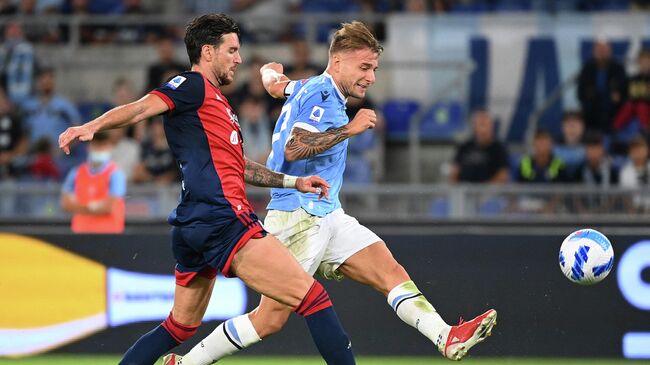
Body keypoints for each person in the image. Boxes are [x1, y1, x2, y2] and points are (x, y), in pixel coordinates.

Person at [170, 21, 496, 365]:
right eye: (364, 67)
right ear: (338, 62)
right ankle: (190, 363)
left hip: (327, 211)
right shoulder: (323, 96)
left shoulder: (308, 86)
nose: (371, 77)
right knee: (269, 320)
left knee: (389, 270)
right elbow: (295, 148)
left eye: (374, 68)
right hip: (297, 216)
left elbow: (277, 87)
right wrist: (350, 128)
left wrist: (269, 72)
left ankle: (444, 336)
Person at [58, 13, 355, 365]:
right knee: (312, 297)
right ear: (208, 52)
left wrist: (294, 182)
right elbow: (141, 109)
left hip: (194, 224)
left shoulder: (215, 104)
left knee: (179, 327)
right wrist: (92, 126)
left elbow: (240, 166)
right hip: (222, 218)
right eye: (232, 50)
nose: (239, 59)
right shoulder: (191, 85)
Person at [60, 131, 126, 233]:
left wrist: (79, 206)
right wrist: (92, 207)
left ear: (110, 147)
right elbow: (65, 204)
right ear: (89, 147)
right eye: (96, 145)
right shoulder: (76, 172)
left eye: (102, 146)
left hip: (109, 235)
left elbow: (109, 206)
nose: (99, 149)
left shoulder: (116, 174)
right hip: (80, 234)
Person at [577, 40, 628, 135]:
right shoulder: (587, 68)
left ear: (610, 51)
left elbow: (624, 89)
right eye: (599, 50)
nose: (602, 53)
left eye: (604, 50)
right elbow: (580, 93)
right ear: (594, 52)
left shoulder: (618, 68)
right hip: (591, 111)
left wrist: (619, 96)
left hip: (613, 110)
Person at [448, 109, 509, 184]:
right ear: (474, 126)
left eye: (485, 123)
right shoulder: (464, 146)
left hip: (488, 192)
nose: (483, 127)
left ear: (491, 125)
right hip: (464, 190)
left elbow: (503, 175)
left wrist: (485, 192)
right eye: (480, 123)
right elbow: (455, 171)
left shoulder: (499, 148)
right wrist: (455, 189)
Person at [553, 111, 586, 179]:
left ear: (583, 126)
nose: (572, 128)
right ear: (562, 126)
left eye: (575, 124)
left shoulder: (592, 148)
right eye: (568, 124)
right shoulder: (551, 149)